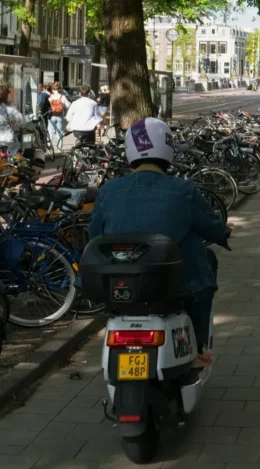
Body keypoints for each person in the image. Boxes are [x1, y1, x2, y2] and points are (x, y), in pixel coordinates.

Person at [88, 117, 229, 367]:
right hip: (175, 285)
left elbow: (93, 234)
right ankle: (197, 345)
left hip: (120, 284)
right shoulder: (182, 190)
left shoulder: (109, 190)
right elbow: (211, 226)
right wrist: (223, 233)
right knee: (206, 264)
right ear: (167, 148)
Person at [46, 82, 68, 148]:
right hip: (59, 115)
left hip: (52, 116)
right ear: (59, 89)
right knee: (60, 132)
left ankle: (49, 146)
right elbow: (67, 106)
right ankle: (59, 147)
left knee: (50, 131)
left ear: (52, 89)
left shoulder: (50, 97)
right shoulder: (62, 97)